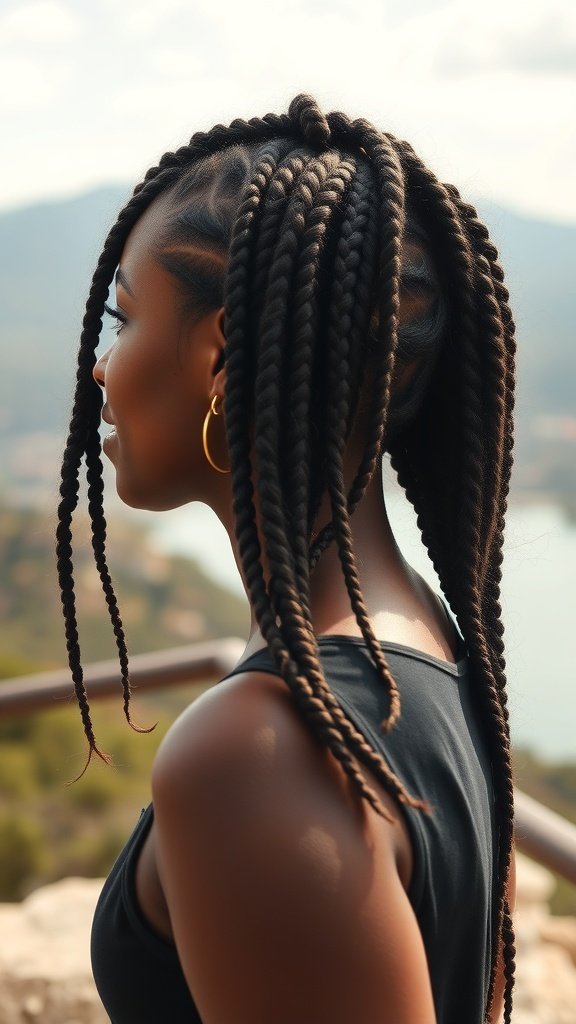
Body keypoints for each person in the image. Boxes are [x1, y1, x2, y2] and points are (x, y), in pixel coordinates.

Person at [56, 94, 517, 1023]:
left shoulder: (259, 754)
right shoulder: (431, 646)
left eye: (124, 319)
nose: (101, 367)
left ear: (220, 355)